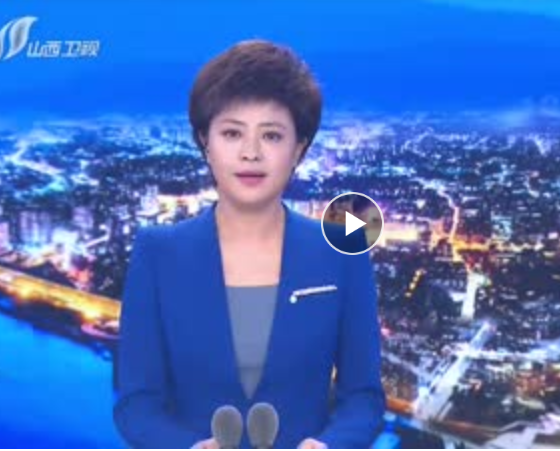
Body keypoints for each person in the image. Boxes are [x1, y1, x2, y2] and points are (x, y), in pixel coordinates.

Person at [113, 40, 385, 449]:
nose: (251, 153)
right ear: (205, 142)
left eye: (271, 135)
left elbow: (363, 397)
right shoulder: (158, 252)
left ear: (299, 148)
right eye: (232, 133)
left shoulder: (342, 252)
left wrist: (330, 445)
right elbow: (136, 403)